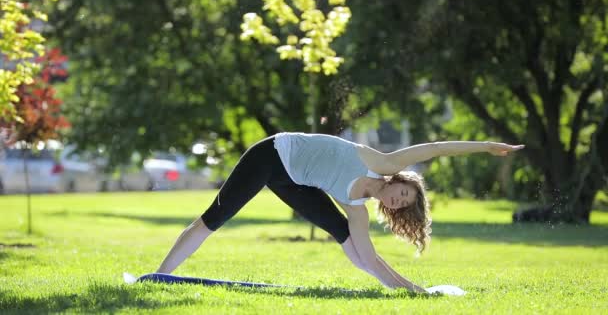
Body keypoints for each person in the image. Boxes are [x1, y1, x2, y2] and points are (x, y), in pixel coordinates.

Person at [156, 132, 524, 292]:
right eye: (403, 193)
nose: (398, 200)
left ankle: (408, 290)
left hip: (293, 181)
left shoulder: (358, 209)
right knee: (215, 217)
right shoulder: (381, 161)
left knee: (347, 236)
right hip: (271, 156)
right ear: (400, 180)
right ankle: (160, 276)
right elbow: (435, 148)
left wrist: (414, 290)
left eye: (402, 205)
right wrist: (486, 147)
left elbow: (368, 260)